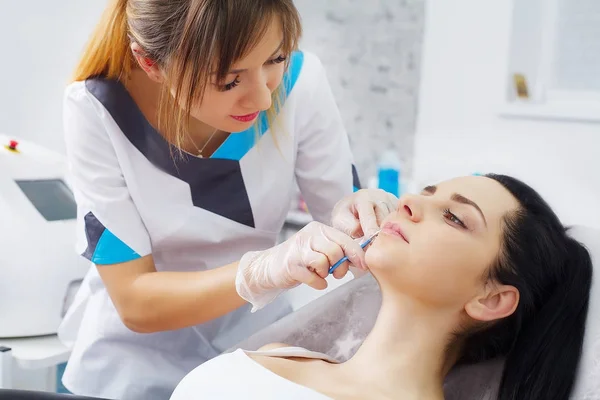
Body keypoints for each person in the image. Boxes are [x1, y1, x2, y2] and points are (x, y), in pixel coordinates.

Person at [58, 0, 398, 399]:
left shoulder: (301, 81)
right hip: (130, 368)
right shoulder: (97, 110)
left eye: (275, 59)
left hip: (255, 357)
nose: (263, 100)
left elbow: (346, 222)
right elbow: (135, 300)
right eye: (228, 80)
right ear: (150, 63)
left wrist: (360, 215)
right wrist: (258, 272)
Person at [170, 174, 593, 400]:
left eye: (454, 217)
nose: (408, 200)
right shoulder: (273, 358)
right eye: (427, 191)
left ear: (492, 298)